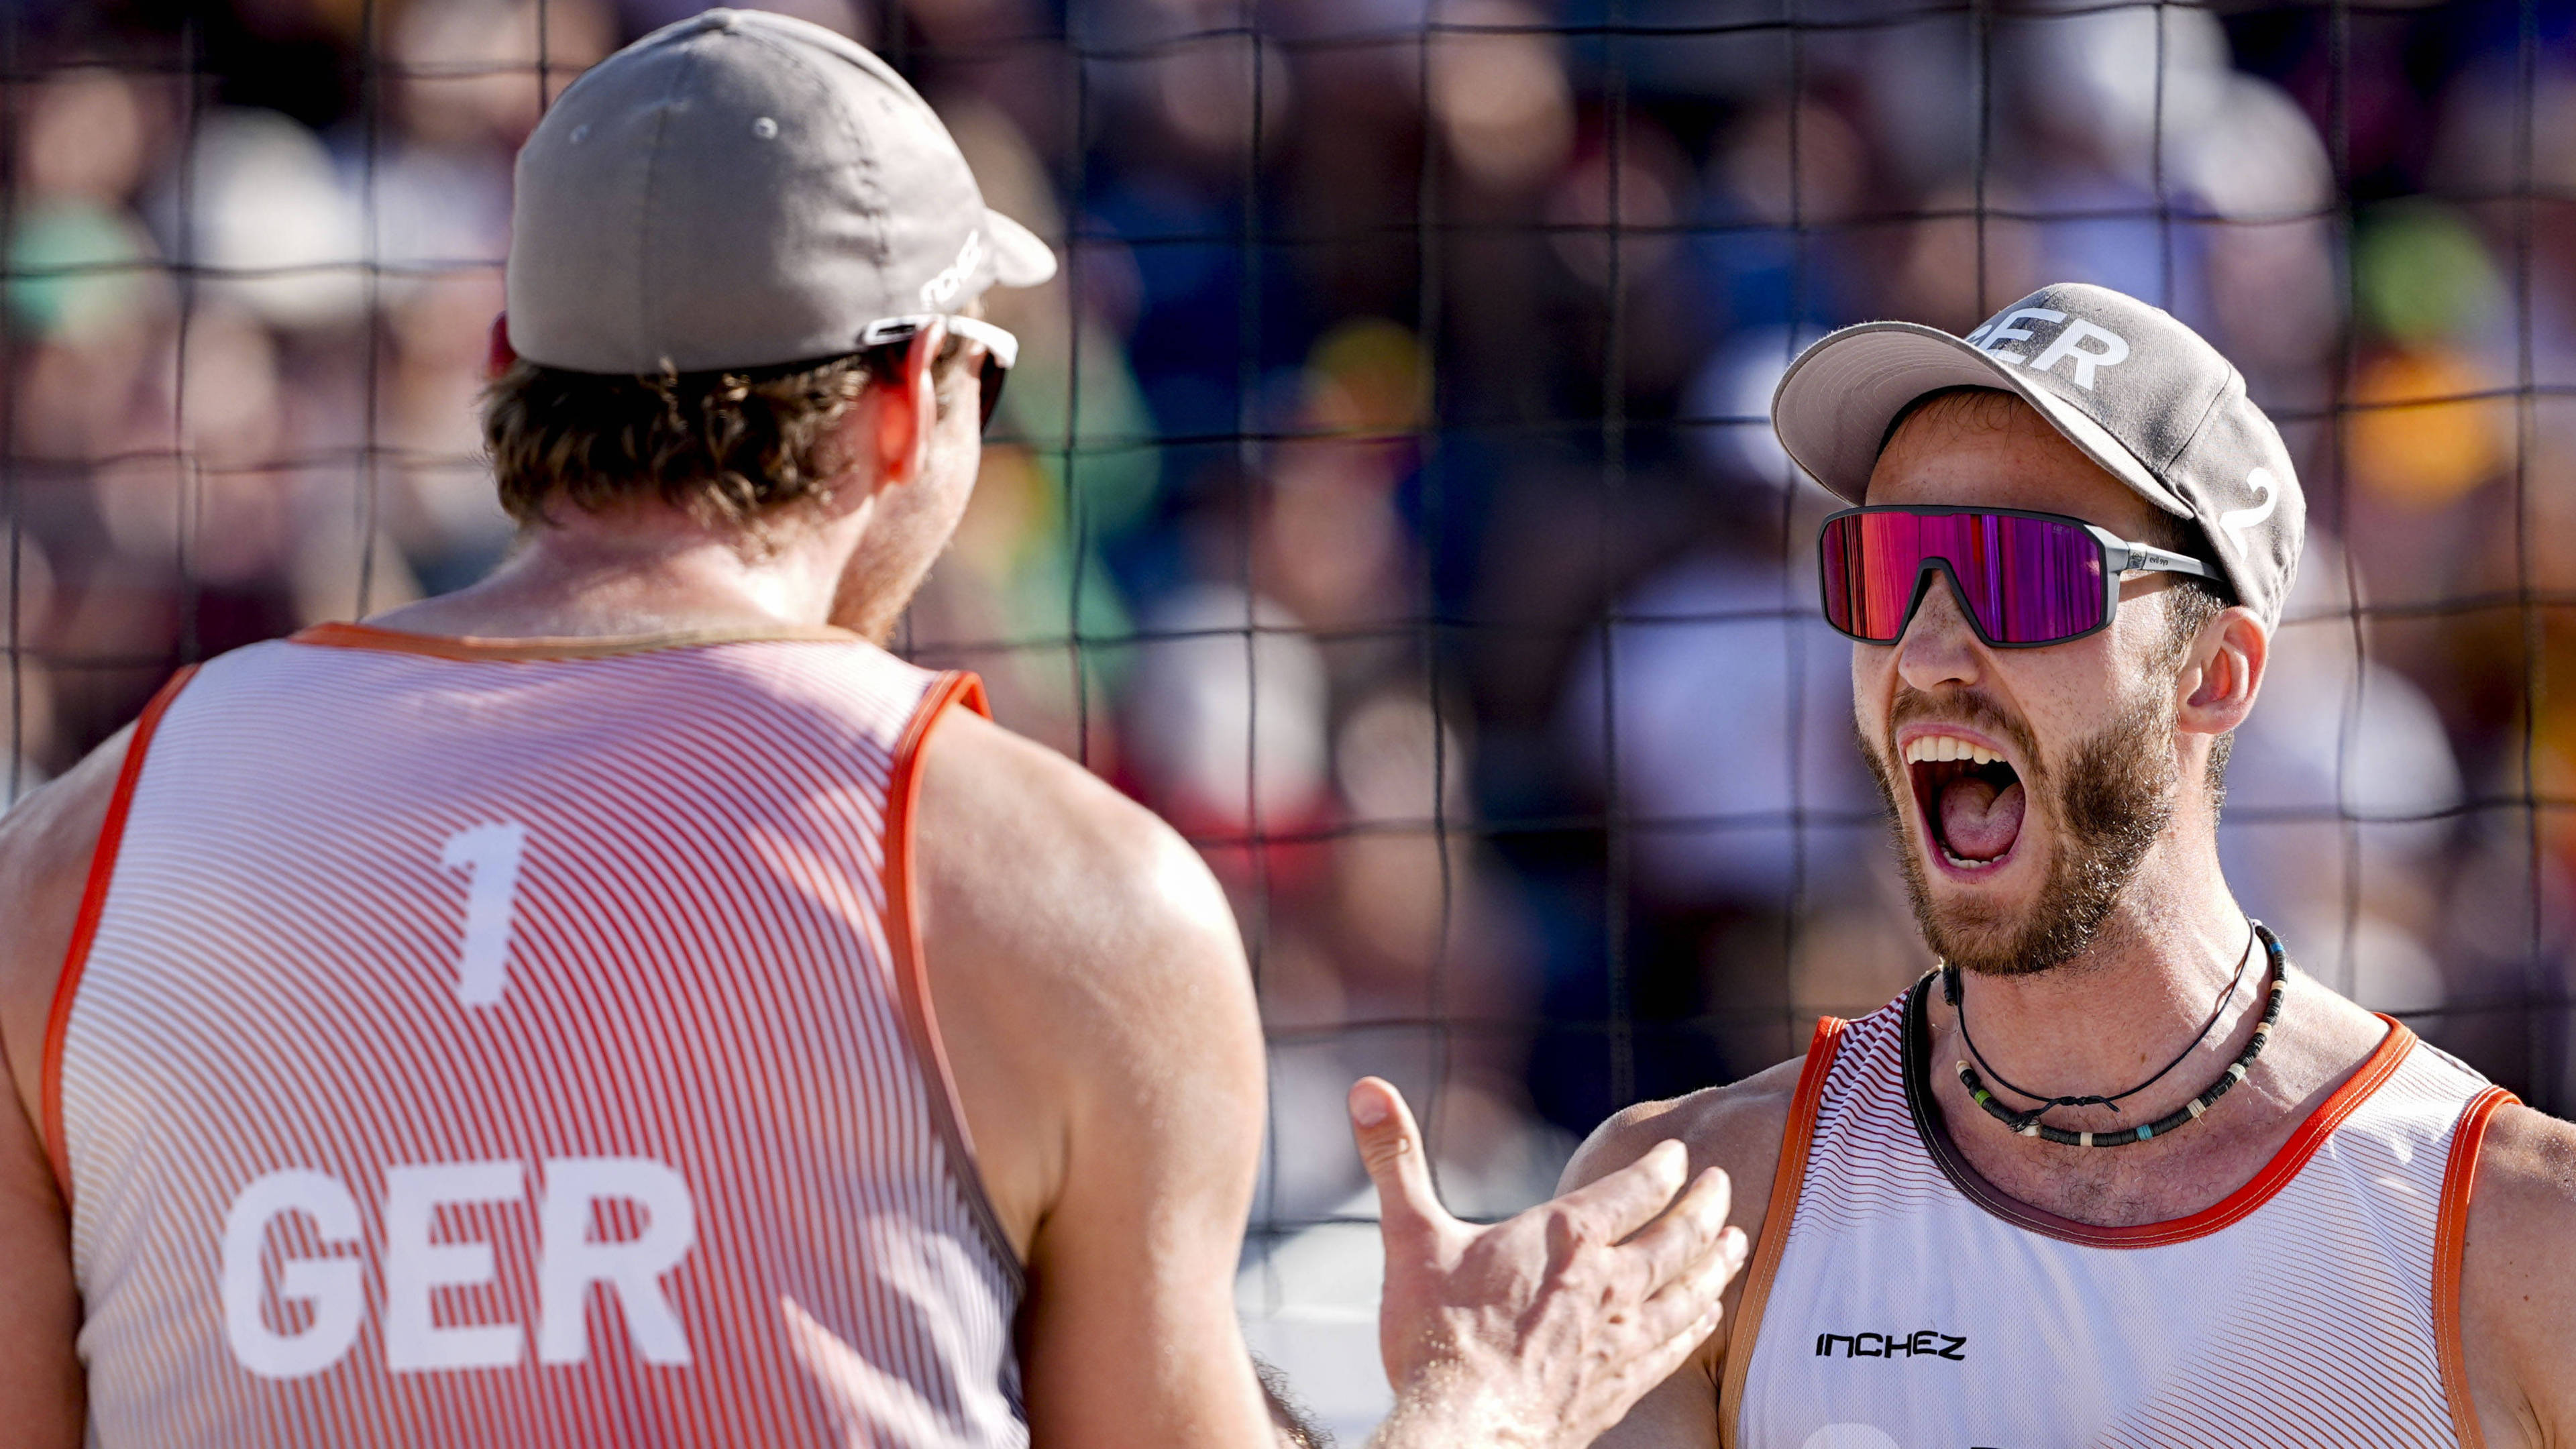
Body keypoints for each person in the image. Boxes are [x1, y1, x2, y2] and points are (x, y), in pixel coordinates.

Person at [0, 13, 1748, 1446]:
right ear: (915, 400)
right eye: (992, 368)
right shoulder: (1060, 888)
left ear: (507, 365)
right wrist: (1493, 1409)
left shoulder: (79, 849)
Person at [1569, 282, 2576, 1448]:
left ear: (2215, 674)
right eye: (1887, 567)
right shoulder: (1687, 1208)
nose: (1929, 649)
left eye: (2024, 573)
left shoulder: (2517, 1237)